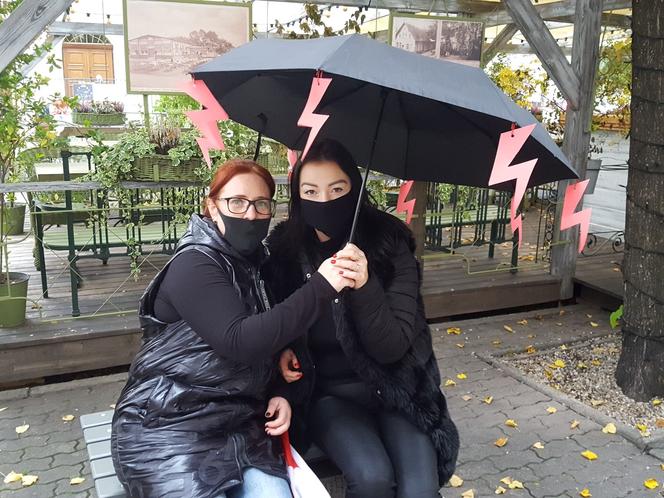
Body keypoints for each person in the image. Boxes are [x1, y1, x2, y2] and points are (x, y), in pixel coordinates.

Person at [111, 159, 354, 498]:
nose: (250, 215)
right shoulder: (194, 263)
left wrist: (281, 390)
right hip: (168, 426)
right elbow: (239, 341)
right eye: (236, 203)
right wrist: (323, 285)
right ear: (212, 206)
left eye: (261, 204)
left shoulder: (259, 263)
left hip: (242, 423)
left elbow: (271, 330)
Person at [265, 139, 460, 498]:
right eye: (311, 190)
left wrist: (366, 285)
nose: (323, 201)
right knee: (372, 478)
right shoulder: (285, 252)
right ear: (297, 195)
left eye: (336, 189)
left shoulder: (390, 243)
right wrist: (284, 349)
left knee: (420, 489)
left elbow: (391, 348)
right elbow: (275, 321)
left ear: (355, 190)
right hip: (328, 396)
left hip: (397, 390)